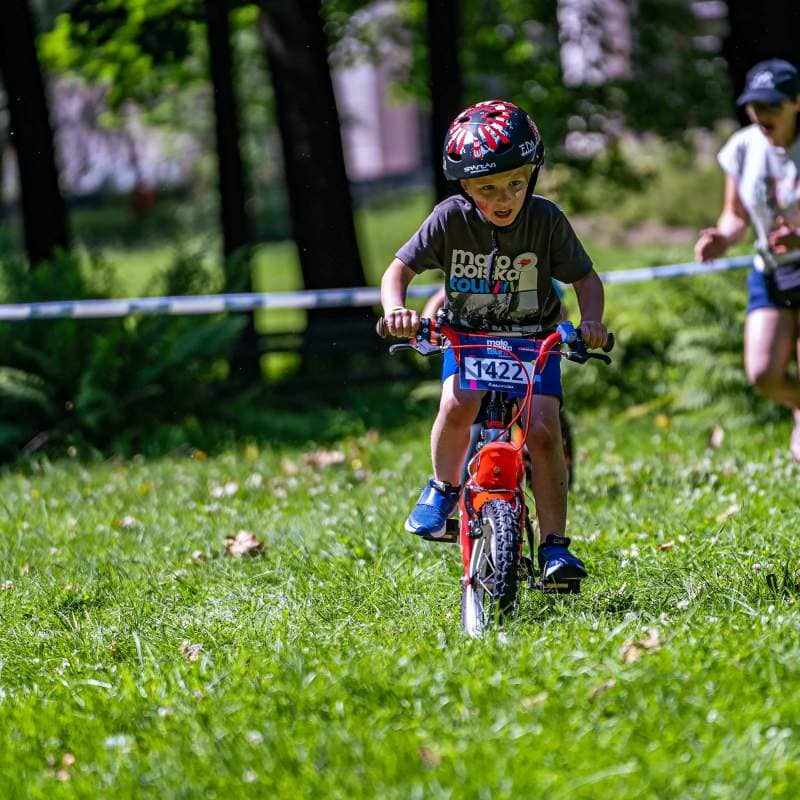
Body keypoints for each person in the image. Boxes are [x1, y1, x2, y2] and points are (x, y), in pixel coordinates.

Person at [380, 99, 608, 586]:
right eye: (488, 188)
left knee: (543, 431)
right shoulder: (448, 220)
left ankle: (554, 546)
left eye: (515, 184)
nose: (504, 198)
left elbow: (586, 280)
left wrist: (591, 321)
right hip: (469, 338)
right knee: (457, 405)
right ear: (465, 186)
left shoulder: (545, 220)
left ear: (532, 175)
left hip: (534, 340)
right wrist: (397, 310)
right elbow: (398, 270)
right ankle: (443, 488)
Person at [694, 59, 800, 462]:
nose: (761, 115)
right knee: (763, 373)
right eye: (755, 106)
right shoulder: (742, 147)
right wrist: (721, 238)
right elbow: (735, 215)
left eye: (772, 105)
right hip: (771, 271)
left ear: (796, 102)